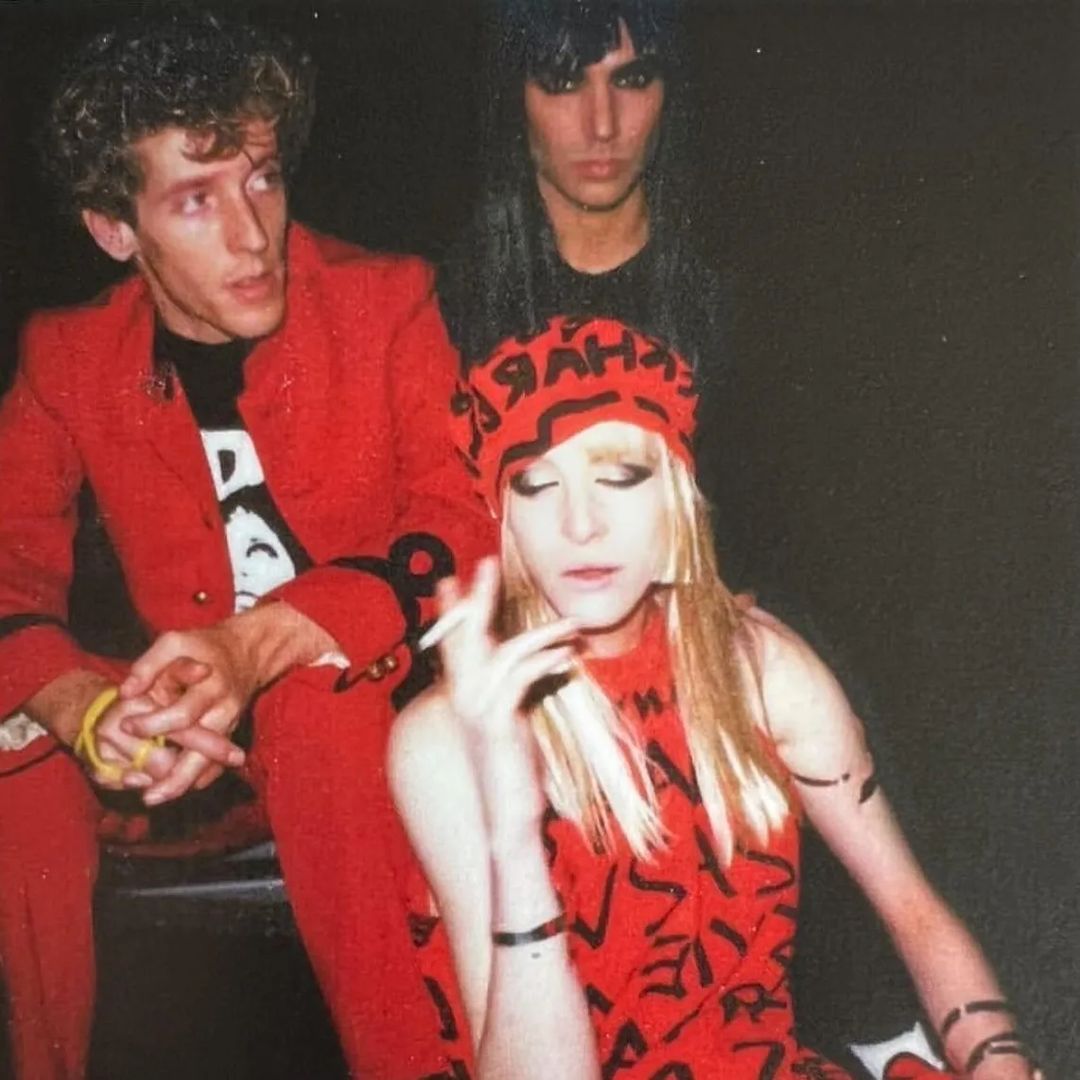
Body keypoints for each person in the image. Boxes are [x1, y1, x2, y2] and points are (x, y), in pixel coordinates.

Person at [0, 10, 492, 1079]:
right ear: (114, 230)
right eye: (196, 199)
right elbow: (5, 569)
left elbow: (455, 524)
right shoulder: (69, 357)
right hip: (197, 763)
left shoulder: (386, 302)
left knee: (315, 708)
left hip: (369, 728)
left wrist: (258, 645)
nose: (252, 233)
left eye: (262, 179)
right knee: (18, 754)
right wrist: (87, 714)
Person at [388, 314, 1039, 1080]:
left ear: (676, 494)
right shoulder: (445, 739)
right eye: (537, 483)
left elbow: (911, 906)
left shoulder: (764, 671)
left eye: (618, 476)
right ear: (505, 516)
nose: (580, 523)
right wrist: (511, 821)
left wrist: (998, 1061)